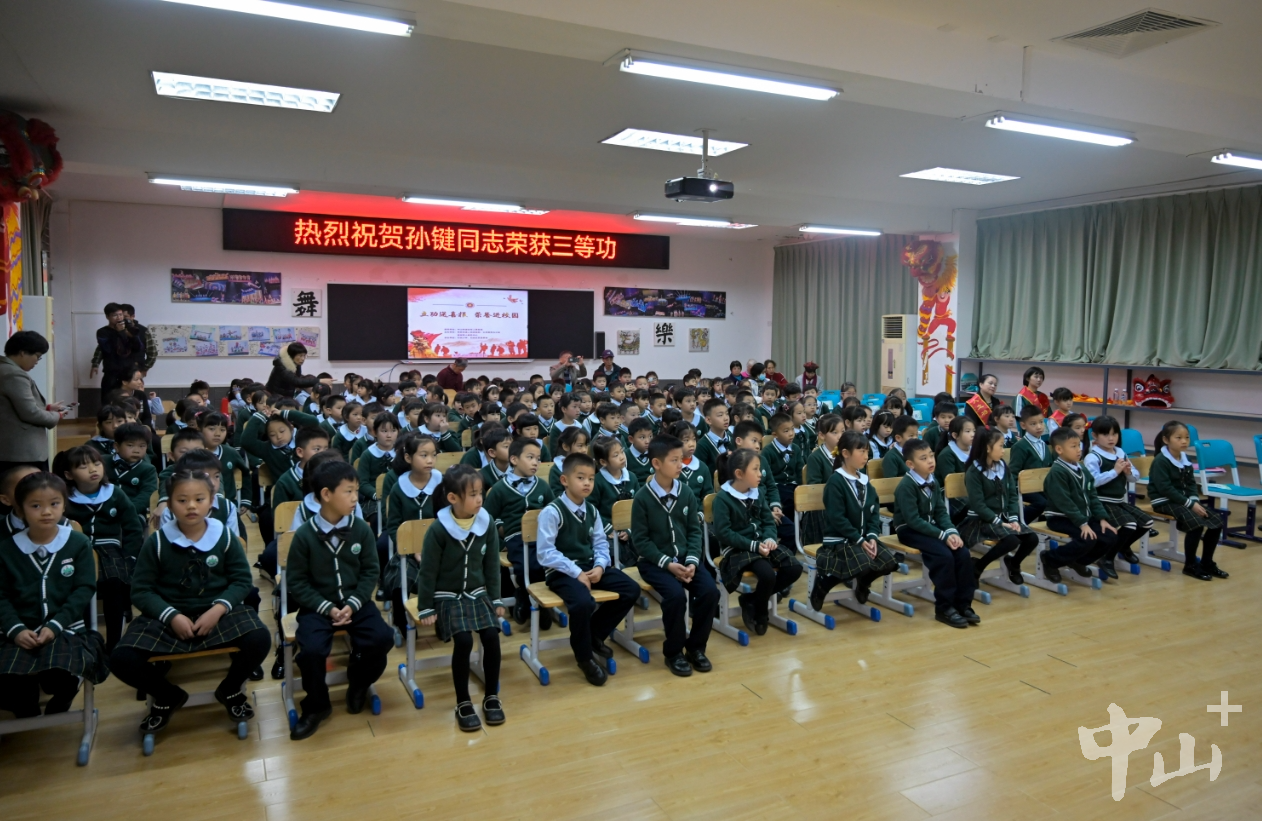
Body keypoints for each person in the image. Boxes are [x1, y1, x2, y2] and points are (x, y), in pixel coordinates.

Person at [109, 468, 270, 736]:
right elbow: (141, 591)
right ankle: (167, 695)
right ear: (170, 504)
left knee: (260, 638)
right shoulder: (157, 542)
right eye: (182, 500)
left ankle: (230, 689)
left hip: (216, 614)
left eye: (199, 499)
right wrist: (171, 615)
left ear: (211, 501)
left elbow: (242, 581)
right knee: (121, 658)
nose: (191, 506)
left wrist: (218, 610)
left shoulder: (224, 536)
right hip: (169, 617)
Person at [285, 460, 393, 739]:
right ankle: (317, 706)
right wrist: (327, 608)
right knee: (311, 652)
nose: (356, 498)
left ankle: (358, 682)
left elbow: (370, 571)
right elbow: (297, 582)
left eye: (356, 490)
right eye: (348, 491)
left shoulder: (361, 529)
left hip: (356, 603)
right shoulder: (305, 535)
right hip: (317, 607)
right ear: (326, 494)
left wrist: (353, 603)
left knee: (382, 638)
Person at [0, 472, 109, 718]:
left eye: (54, 504)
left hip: (66, 629)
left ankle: (62, 698)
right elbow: (1, 597)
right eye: (36, 506)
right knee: (11, 682)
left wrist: (55, 625)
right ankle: (26, 709)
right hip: (15, 632)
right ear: (20, 509)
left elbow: (84, 589)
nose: (46, 512)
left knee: (62, 675)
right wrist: (16, 630)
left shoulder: (78, 542)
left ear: (64, 505)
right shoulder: (7, 548)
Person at [536, 452, 640, 686]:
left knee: (630, 589)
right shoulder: (552, 512)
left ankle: (593, 635)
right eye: (580, 478)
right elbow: (545, 553)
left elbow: (601, 543)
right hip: (561, 571)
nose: (587, 483)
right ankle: (583, 657)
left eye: (591, 479)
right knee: (583, 602)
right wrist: (576, 572)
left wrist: (601, 566)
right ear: (564, 480)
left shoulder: (592, 510)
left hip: (589, 566)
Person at [414, 465, 505, 732]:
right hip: (447, 596)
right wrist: (425, 607)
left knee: (492, 635)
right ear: (453, 498)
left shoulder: (486, 522)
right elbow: (427, 571)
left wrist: (496, 599)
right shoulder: (438, 529)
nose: (480, 499)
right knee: (464, 640)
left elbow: (492, 565)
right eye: (473, 494)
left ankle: (491, 696)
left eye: (481, 493)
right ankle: (463, 701)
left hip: (477, 593)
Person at [631, 434, 718, 677]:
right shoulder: (642, 498)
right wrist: (668, 564)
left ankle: (696, 648)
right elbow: (641, 541)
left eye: (681, 459)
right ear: (657, 464)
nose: (681, 464)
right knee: (675, 596)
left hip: (685, 560)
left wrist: (691, 562)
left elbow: (694, 531)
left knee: (710, 591)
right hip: (654, 563)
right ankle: (674, 652)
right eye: (674, 460)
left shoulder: (686, 492)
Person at [56, 445, 143, 652]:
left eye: (96, 464)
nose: (92, 469)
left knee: (115, 582)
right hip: (78, 551)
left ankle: (114, 644)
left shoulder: (115, 493)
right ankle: (86, 641)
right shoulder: (65, 498)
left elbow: (132, 527)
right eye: (83, 467)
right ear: (69, 475)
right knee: (81, 586)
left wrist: (130, 556)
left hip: (110, 549)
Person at [713, 449, 802, 636]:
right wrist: (754, 545)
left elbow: (768, 521)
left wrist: (769, 538)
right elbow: (723, 533)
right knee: (767, 574)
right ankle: (761, 612)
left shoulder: (758, 493)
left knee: (794, 567)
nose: (760, 474)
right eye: (755, 469)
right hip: (738, 549)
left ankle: (752, 600)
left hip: (760, 544)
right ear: (739, 474)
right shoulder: (722, 498)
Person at [809, 431, 901, 611]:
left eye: (867, 451)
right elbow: (837, 519)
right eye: (861, 451)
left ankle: (863, 584)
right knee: (864, 564)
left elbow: (874, 512)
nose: (866, 456)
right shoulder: (835, 482)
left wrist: (872, 536)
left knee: (889, 563)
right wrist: (859, 539)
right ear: (845, 453)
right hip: (840, 540)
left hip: (862, 538)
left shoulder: (865, 481)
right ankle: (823, 584)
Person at [892, 438, 978, 629]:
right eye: (923, 458)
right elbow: (913, 521)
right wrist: (943, 536)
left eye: (931, 455)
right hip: (909, 530)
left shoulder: (933, 480)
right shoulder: (906, 486)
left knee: (962, 553)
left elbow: (940, 512)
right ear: (910, 464)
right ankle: (944, 608)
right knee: (944, 556)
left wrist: (952, 532)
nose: (930, 460)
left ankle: (963, 604)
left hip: (930, 528)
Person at [484, 438, 554, 626]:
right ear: (514, 460)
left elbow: (554, 511)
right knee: (526, 565)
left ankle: (530, 598)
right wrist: (501, 540)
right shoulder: (500, 489)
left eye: (538, 458)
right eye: (530, 457)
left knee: (544, 563)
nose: (535, 462)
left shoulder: (542, 486)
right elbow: (487, 518)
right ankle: (531, 599)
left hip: (542, 536)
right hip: (515, 537)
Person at [1148, 420, 1227, 582]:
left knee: (1216, 521)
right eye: (1178, 438)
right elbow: (1165, 489)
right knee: (1196, 524)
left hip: (1182, 501)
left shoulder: (1185, 458)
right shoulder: (1161, 461)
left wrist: (1194, 500)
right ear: (1166, 440)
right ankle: (1190, 565)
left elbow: (1191, 483)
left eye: (1186, 437)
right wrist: (1190, 504)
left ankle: (1207, 563)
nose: (1184, 441)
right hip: (1164, 501)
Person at [1040, 427, 1120, 584]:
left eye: (1079, 445)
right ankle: (1051, 559)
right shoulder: (1057, 472)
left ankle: (1077, 561)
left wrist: (1102, 518)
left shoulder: (1082, 468)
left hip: (1081, 517)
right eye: (1073, 446)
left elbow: (1092, 495)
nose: (1079, 450)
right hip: (1060, 518)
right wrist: (1083, 524)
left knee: (1110, 536)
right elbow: (1065, 503)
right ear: (1059, 449)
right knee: (1087, 539)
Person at [962, 427, 1038, 585]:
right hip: (982, 520)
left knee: (1032, 538)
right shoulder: (974, 472)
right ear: (987, 448)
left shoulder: (1002, 466)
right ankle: (978, 567)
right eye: (1001, 446)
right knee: (1011, 541)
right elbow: (978, 505)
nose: (1004, 450)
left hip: (1003, 517)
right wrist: (1000, 522)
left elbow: (1012, 495)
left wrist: (1013, 518)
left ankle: (1014, 564)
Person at [0, 331, 63, 474]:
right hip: (21, 452)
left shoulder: (4, 369)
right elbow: (30, 413)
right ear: (23, 353)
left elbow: (11, 407)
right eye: (37, 356)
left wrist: (47, 408)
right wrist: (56, 416)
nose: (37, 361)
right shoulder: (14, 374)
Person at [1009, 404, 1054, 522]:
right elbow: (1013, 471)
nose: (1039, 426)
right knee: (1041, 503)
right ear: (1023, 425)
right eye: (1033, 424)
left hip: (1042, 486)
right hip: (1024, 488)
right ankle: (1018, 523)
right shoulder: (1020, 446)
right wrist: (1012, 492)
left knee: (1056, 499)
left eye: (1041, 422)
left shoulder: (1044, 445)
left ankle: (1045, 523)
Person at [90, 303, 147, 394]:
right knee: (109, 400)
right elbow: (107, 350)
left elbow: (138, 348)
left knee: (129, 401)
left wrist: (131, 335)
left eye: (120, 314)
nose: (119, 318)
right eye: (115, 315)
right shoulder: (102, 332)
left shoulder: (128, 329)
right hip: (112, 373)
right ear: (107, 317)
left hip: (128, 374)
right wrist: (119, 332)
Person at [109, 423, 158, 518]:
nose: (136, 450)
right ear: (116, 447)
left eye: (142, 446)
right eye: (130, 445)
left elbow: (147, 494)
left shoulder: (148, 469)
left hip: (134, 513)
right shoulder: (103, 463)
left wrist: (127, 511)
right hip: (104, 512)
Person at [881, 415, 919, 481]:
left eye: (917, 435)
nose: (915, 438)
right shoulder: (891, 457)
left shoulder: (917, 452)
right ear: (898, 438)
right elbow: (890, 483)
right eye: (911, 436)